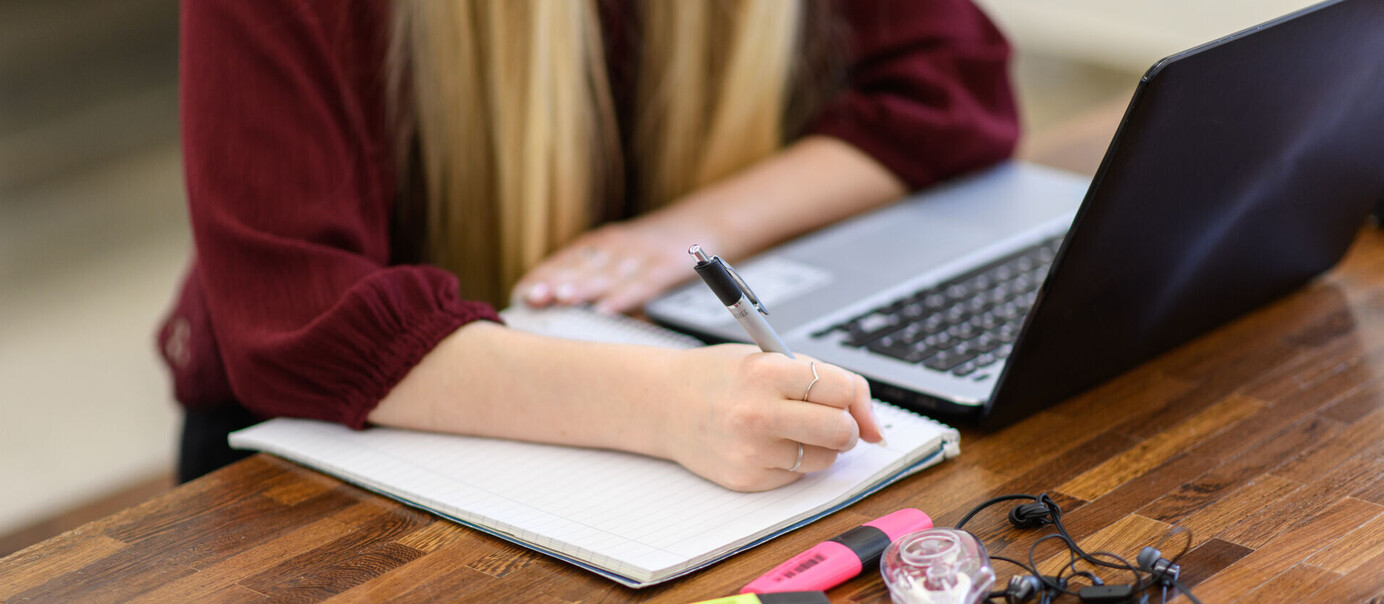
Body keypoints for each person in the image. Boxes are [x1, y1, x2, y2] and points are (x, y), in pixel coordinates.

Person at [159, 0, 1019, 489]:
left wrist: (693, 229)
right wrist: (670, 405)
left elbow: (951, 84)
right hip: (323, 472)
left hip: (649, 396)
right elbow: (301, 316)